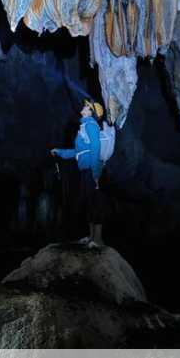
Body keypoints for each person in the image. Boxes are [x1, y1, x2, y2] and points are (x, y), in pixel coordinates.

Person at [51, 99, 106, 248]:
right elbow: (77, 151)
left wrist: (95, 173)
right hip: (85, 169)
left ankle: (98, 239)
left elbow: (95, 147)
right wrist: (60, 152)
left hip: (91, 169)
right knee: (88, 201)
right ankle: (91, 237)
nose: (83, 107)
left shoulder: (91, 125)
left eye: (87, 106)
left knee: (94, 202)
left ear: (91, 112)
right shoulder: (84, 126)